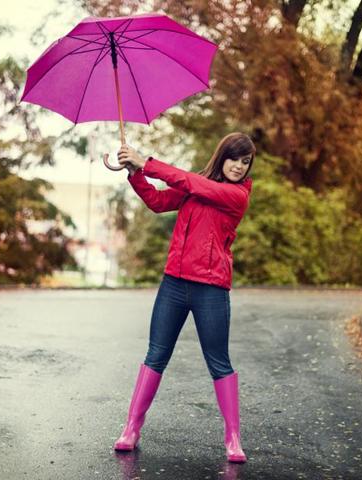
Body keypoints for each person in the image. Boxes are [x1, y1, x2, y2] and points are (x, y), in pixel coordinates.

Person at [113, 132, 256, 463]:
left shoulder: (235, 195)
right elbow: (158, 201)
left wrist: (145, 162)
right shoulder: (196, 185)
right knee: (155, 355)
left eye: (245, 162)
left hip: (211, 288)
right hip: (174, 284)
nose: (239, 166)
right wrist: (134, 172)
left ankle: (233, 438)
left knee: (218, 361)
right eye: (234, 158)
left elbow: (193, 184)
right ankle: (131, 428)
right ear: (222, 157)